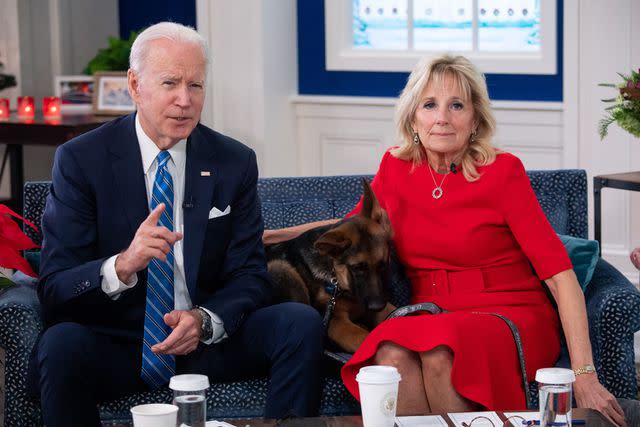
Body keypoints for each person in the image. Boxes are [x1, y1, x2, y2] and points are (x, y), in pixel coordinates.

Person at [264, 55, 627, 426]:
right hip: (432, 316)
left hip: (509, 313)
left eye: (456, 105)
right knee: (389, 355)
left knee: (439, 352)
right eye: (430, 105)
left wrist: (584, 374)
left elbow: (560, 275)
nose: (443, 117)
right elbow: (348, 228)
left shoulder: (503, 172)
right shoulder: (395, 168)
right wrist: (269, 236)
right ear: (413, 117)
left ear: (475, 119)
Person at [29, 22, 323, 426]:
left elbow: (251, 276)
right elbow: (55, 285)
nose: (185, 100)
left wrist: (205, 320)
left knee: (298, 323)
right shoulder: (82, 160)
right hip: (120, 342)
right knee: (60, 344)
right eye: (170, 83)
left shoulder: (233, 162)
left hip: (203, 343)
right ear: (135, 85)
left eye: (196, 86)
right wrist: (123, 264)